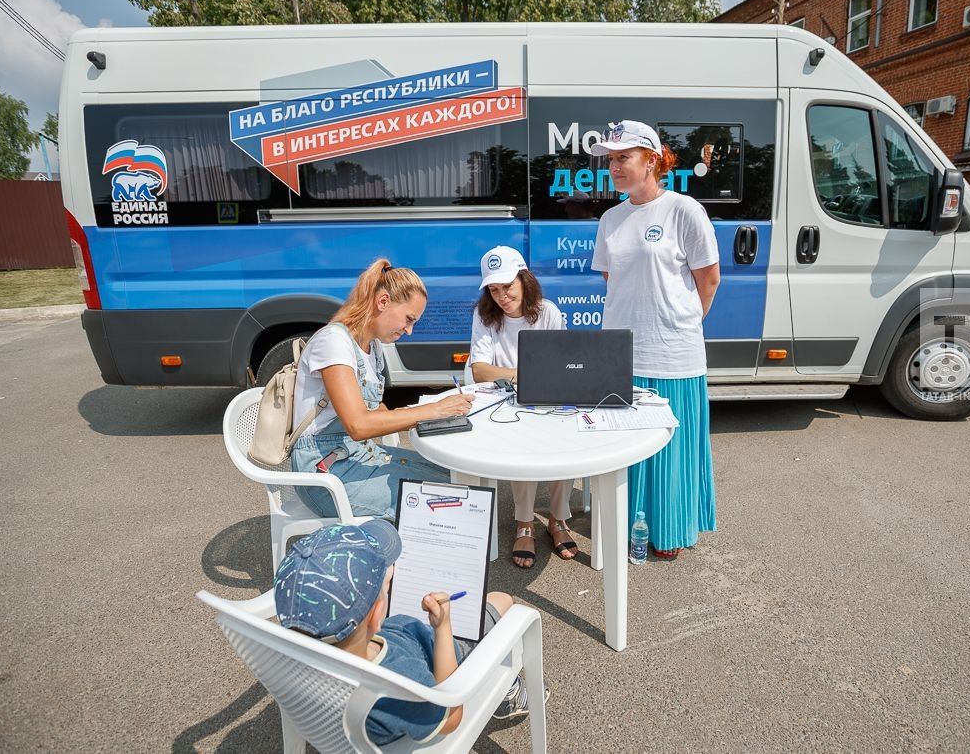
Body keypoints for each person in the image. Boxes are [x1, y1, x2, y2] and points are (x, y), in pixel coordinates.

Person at [274, 522, 537, 747]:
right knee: (501, 601)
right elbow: (450, 716)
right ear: (377, 616)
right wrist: (443, 627)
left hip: (396, 645)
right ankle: (509, 691)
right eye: (387, 583)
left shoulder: (287, 659)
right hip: (438, 657)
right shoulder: (399, 682)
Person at [589, 120, 721, 559]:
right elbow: (615, 279)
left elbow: (710, 280)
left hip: (673, 353)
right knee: (627, 448)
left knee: (670, 451)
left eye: (623, 157)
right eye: (610, 159)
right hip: (621, 351)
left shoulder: (684, 210)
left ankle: (668, 533)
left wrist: (679, 324)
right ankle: (628, 527)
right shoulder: (611, 219)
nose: (614, 166)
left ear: (652, 159)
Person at [290, 258, 474, 520]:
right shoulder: (333, 342)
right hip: (325, 475)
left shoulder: (372, 346)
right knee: (446, 498)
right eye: (409, 319)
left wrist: (439, 418)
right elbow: (359, 425)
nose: (409, 331)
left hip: (358, 455)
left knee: (454, 476)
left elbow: (377, 410)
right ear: (383, 301)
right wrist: (431, 411)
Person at [468, 245, 578, 568]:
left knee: (566, 437)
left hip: (548, 399)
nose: (501, 295)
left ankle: (558, 518)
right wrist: (524, 374)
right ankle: (524, 521)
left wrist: (532, 377)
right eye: (494, 289)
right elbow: (479, 370)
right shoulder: (485, 316)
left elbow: (562, 364)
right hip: (503, 405)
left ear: (524, 279)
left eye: (507, 286)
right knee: (521, 439)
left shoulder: (549, 313)